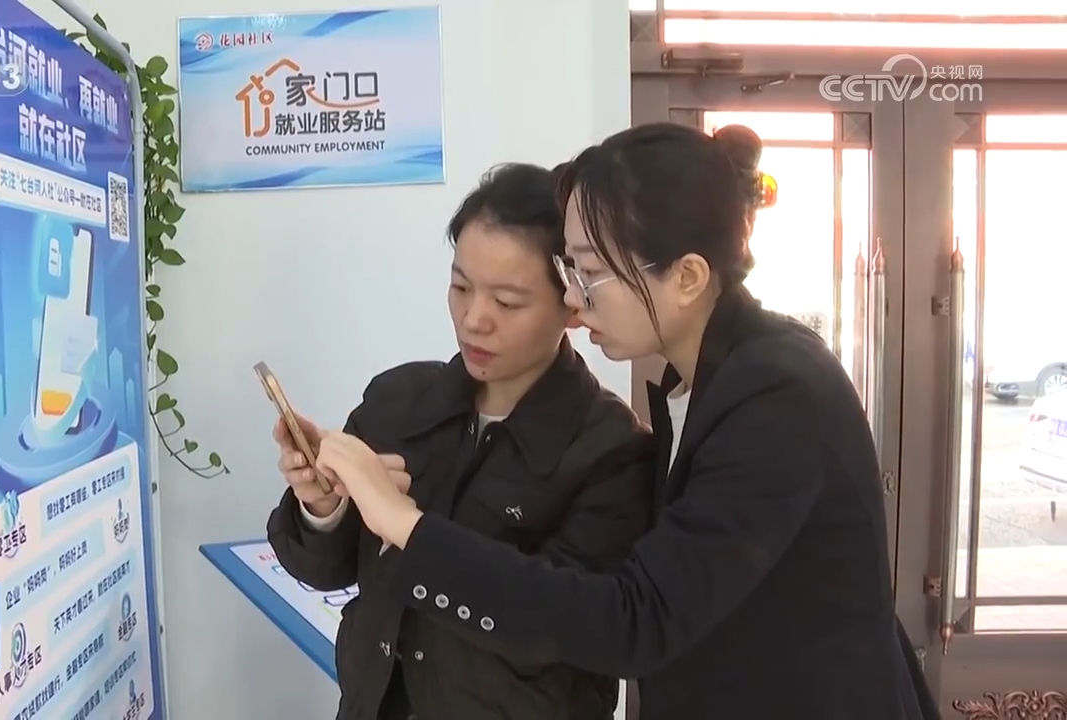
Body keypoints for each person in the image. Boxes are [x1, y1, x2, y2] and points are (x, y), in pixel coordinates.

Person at [311, 124, 942, 719]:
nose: (575, 300)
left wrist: (404, 523)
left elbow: (637, 619)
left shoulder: (777, 393)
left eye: (589, 274)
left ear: (687, 277)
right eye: (571, 270)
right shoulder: (697, 385)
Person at [266, 163, 653, 720]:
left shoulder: (611, 450)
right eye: (461, 287)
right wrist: (323, 508)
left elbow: (567, 623)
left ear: (572, 301)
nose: (474, 319)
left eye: (508, 302)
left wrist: (405, 521)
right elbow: (325, 570)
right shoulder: (397, 400)